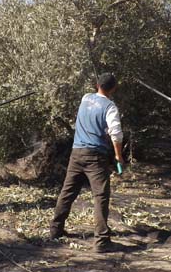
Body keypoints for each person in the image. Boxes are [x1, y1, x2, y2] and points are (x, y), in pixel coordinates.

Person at [50, 73, 125, 253]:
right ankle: (101, 241)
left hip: (76, 153)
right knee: (100, 197)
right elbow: (116, 134)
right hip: (96, 156)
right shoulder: (110, 107)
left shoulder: (85, 98)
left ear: (97, 84)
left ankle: (55, 230)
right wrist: (118, 156)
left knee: (67, 192)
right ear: (114, 88)